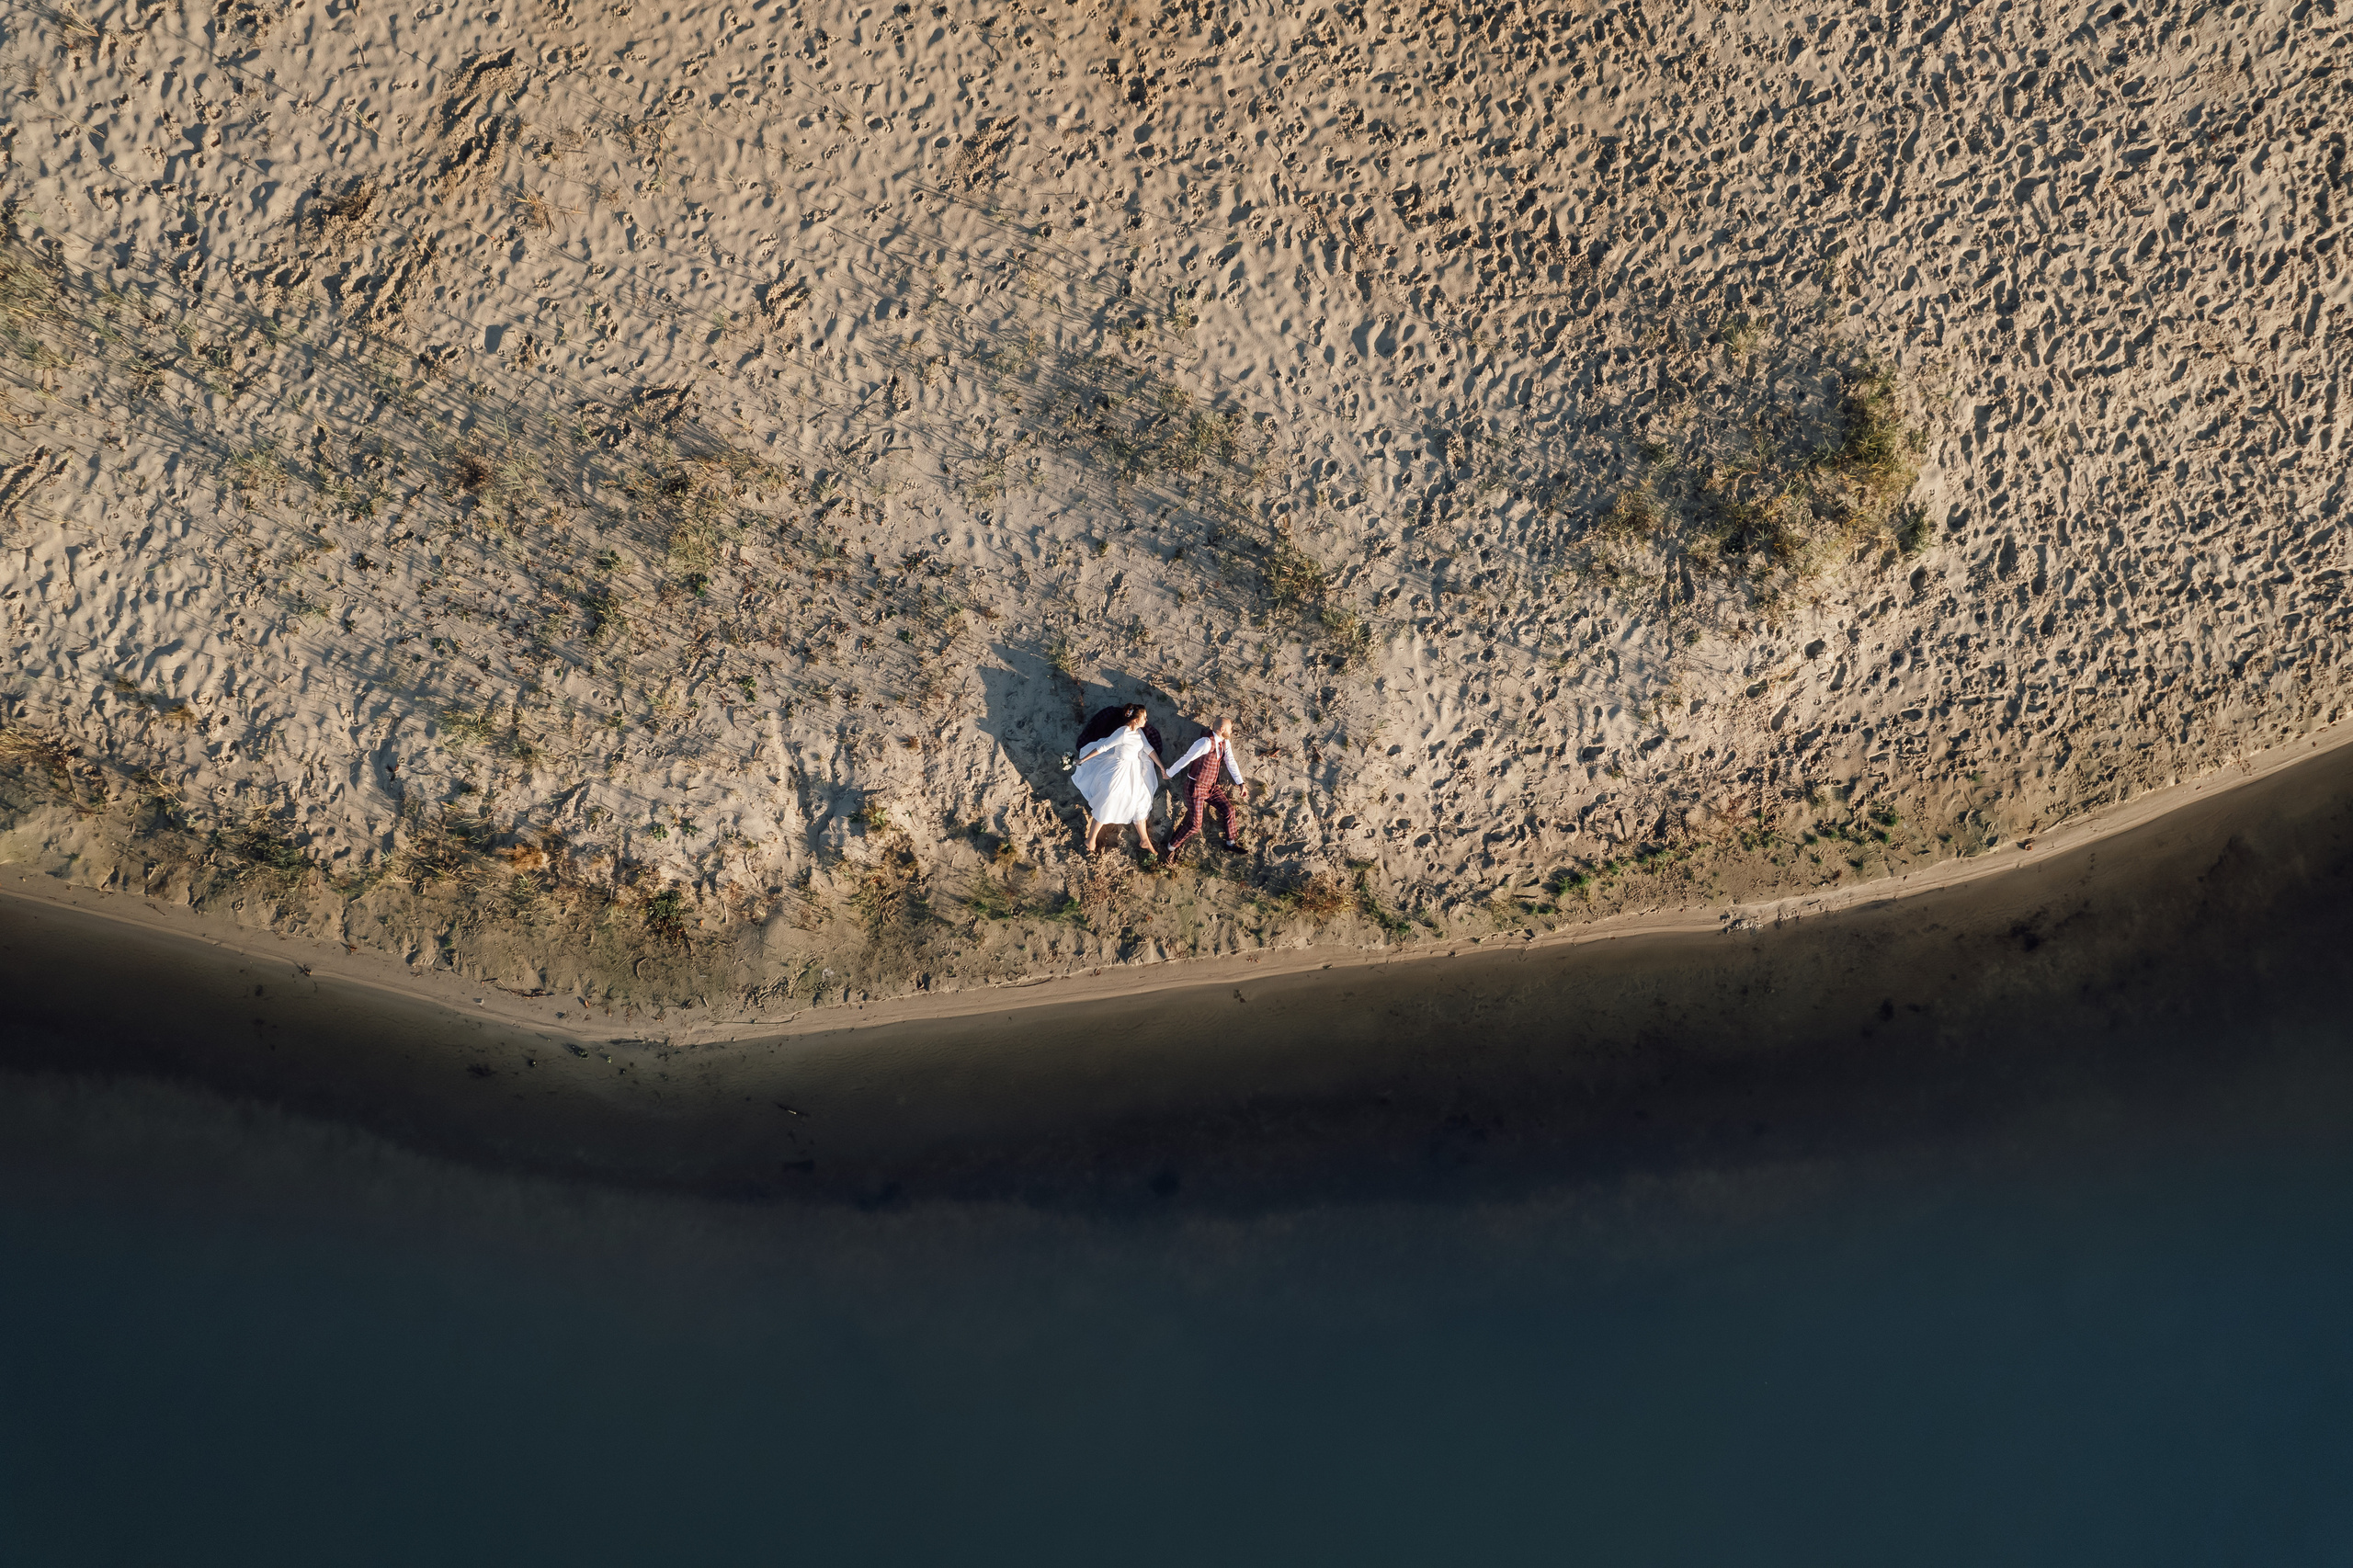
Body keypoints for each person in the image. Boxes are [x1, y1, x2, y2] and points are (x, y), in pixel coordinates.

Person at [1071, 704, 1168, 860]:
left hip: (1133, 770)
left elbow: (1149, 749)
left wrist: (1162, 767)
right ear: (1135, 720)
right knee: (1108, 801)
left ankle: (1144, 840)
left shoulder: (1139, 732)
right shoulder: (1122, 732)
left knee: (1139, 800)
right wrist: (1083, 760)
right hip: (1117, 769)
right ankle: (1091, 839)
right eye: (1144, 717)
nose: (1146, 719)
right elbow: (1102, 747)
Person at [1165, 716, 1246, 857]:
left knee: (1229, 810)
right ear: (1222, 729)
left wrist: (1241, 783)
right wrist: (1169, 773)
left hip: (1211, 787)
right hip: (1195, 787)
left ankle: (1230, 843)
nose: (1232, 731)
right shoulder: (1205, 742)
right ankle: (1170, 848)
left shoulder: (1225, 743)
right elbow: (1187, 758)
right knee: (1195, 825)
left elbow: (1231, 762)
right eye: (1230, 729)